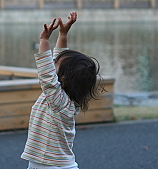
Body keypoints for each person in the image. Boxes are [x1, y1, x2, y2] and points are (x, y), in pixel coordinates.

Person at [21, 11, 103, 169]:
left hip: (50, 164)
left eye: (55, 65)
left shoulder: (58, 100)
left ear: (63, 78)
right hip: (52, 162)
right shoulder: (66, 97)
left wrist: (44, 40)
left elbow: (47, 74)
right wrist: (63, 34)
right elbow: (60, 60)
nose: (53, 62)